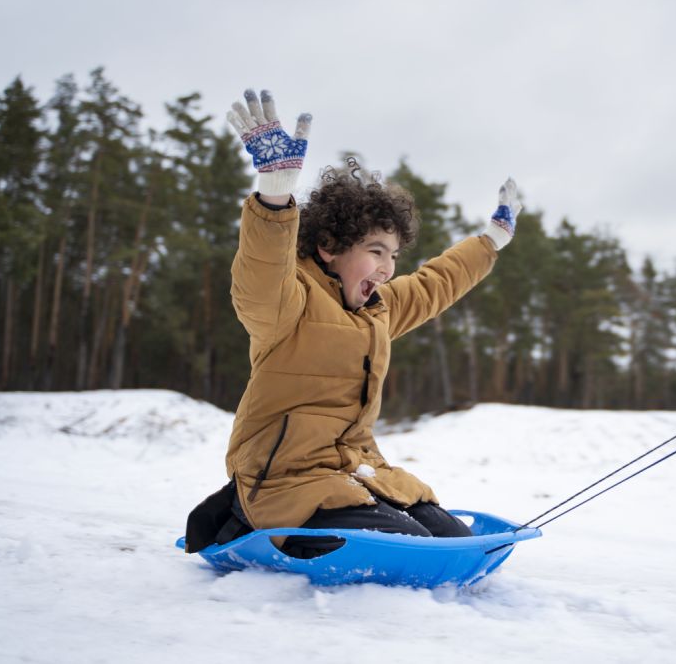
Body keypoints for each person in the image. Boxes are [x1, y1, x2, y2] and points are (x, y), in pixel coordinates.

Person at [185, 89, 520, 557]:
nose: (387, 268)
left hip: (358, 472)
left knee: (453, 543)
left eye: (393, 255)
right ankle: (240, 519)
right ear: (329, 247)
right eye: (375, 251)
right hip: (283, 479)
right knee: (407, 548)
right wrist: (274, 197)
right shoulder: (288, 304)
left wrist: (490, 242)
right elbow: (260, 272)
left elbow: (435, 284)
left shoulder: (377, 311)